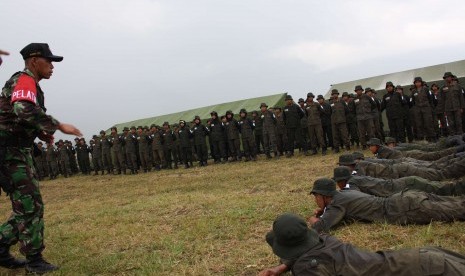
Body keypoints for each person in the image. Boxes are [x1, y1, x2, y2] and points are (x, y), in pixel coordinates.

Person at [0, 43, 81, 273]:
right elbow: (22, 110)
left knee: (28, 207)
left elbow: (17, 117)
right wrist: (57, 125)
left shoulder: (30, 83)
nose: (52, 66)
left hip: (15, 152)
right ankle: (34, 261)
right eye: (49, 60)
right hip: (10, 154)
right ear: (34, 60)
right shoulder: (24, 79)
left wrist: (40, 132)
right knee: (30, 207)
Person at [259, 213, 465, 276]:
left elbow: (309, 263)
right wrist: (282, 267)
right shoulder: (326, 241)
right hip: (423, 257)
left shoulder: (308, 268)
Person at [308, 178, 465, 233]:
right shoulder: (344, 194)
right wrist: (324, 209)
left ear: (324, 196)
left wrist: (313, 219)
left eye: (316, 196)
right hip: (404, 198)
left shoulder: (337, 204)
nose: (315, 199)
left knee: (457, 211)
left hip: (403, 209)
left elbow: (321, 227)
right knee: (455, 202)